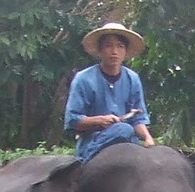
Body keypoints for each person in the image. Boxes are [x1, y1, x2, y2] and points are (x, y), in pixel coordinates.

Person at [64, 21, 156, 162]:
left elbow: (138, 117)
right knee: (124, 129)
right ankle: (82, 161)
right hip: (94, 141)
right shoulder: (84, 79)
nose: (114, 52)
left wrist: (148, 138)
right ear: (100, 50)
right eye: (108, 46)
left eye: (120, 46)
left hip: (127, 141)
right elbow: (73, 119)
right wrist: (99, 120)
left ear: (125, 52)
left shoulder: (133, 79)